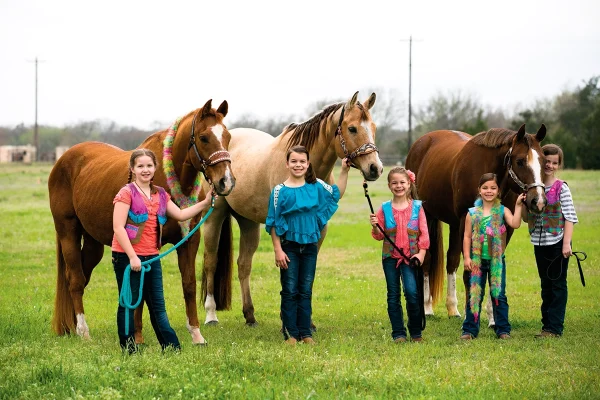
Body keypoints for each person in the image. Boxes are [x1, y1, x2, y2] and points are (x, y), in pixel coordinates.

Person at [112, 148, 214, 353]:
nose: (145, 170)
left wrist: (204, 202)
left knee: (158, 305)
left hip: (151, 257)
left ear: (155, 168)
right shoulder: (126, 193)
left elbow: (181, 214)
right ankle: (129, 348)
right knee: (128, 302)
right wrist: (132, 257)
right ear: (132, 169)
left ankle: (171, 347)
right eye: (140, 166)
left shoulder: (160, 194)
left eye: (149, 165)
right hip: (127, 257)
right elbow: (118, 227)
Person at [266, 145, 351, 346]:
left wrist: (344, 170)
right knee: (289, 289)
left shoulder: (317, 186)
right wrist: (278, 249)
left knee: (305, 289)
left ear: (308, 164)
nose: (298, 165)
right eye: (294, 161)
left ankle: (306, 333)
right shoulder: (280, 191)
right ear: (287, 164)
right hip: (289, 247)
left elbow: (336, 194)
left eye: (302, 161)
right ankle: (291, 333)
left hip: (310, 247)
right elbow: (273, 222)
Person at [460, 173, 526, 340]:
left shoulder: (503, 210)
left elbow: (515, 224)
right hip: (477, 260)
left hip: (496, 261)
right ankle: (469, 329)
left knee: (499, 295)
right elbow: (467, 236)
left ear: (498, 191)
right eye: (485, 188)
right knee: (475, 295)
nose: (489, 191)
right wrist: (466, 258)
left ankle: (503, 329)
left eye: (493, 188)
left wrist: (518, 206)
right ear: (479, 190)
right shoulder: (472, 213)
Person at [523, 144, 578, 338]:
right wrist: (521, 203)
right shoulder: (533, 189)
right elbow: (524, 218)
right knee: (546, 285)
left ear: (559, 165)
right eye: (547, 161)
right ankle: (546, 325)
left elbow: (570, 216)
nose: (550, 166)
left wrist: (566, 243)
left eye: (555, 163)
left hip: (557, 242)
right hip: (539, 243)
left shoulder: (561, 188)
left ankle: (554, 328)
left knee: (557, 284)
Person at [369, 167, 429, 343]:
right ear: (389, 186)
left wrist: (422, 253)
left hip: (411, 259)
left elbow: (424, 233)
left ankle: (416, 332)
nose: (399, 186)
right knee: (393, 295)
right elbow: (379, 235)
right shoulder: (384, 208)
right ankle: (398, 333)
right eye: (394, 183)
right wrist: (374, 226)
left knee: (412, 293)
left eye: (402, 182)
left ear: (409, 184)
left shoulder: (418, 208)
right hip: (390, 258)